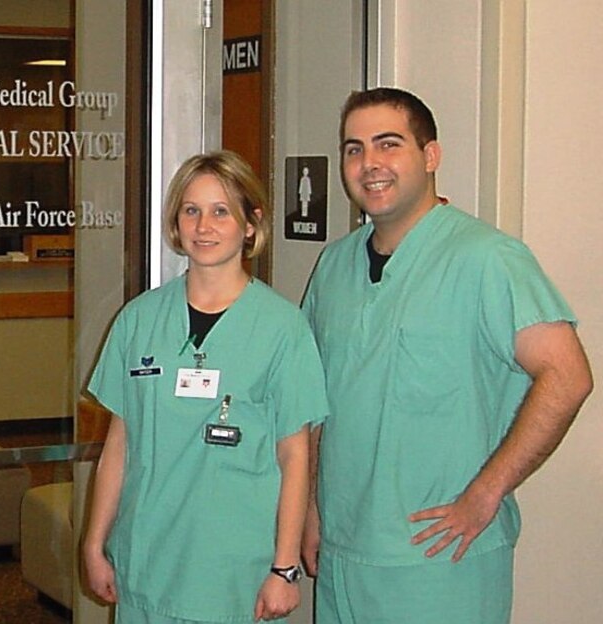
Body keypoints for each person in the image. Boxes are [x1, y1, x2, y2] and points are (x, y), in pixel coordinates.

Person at [301, 87, 594, 623]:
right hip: (345, 553)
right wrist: (313, 506)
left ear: (430, 156)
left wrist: (486, 493)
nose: (370, 164)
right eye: (353, 149)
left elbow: (567, 375)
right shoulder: (333, 268)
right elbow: (319, 400)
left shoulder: (488, 258)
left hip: (439, 559)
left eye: (388, 144)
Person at [83, 150, 328, 623]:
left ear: (251, 224)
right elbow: (119, 443)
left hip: (233, 571)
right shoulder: (139, 320)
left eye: (221, 211)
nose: (204, 226)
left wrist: (285, 567)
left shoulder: (282, 328)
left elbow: (295, 456)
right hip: (146, 560)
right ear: (176, 223)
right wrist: (95, 543)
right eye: (191, 210)